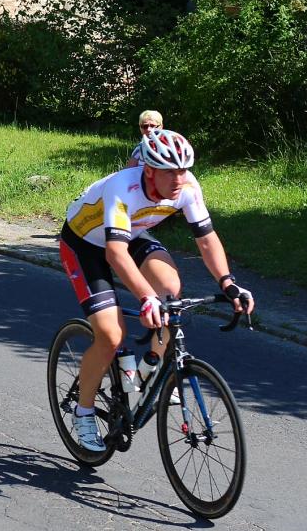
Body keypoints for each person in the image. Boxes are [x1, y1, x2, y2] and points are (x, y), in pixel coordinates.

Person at [59, 129, 254, 451]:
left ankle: (149, 369)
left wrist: (228, 282)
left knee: (171, 291)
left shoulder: (187, 186)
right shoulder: (124, 186)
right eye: (170, 172)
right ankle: (84, 411)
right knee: (111, 335)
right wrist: (146, 297)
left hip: (133, 234)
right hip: (84, 245)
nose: (179, 179)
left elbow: (206, 239)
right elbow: (115, 253)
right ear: (149, 171)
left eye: (183, 170)